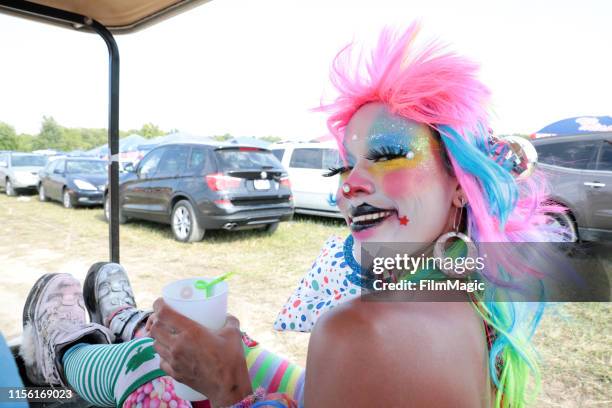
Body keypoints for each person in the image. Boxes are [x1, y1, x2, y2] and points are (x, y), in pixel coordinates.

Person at [20, 23, 562, 408]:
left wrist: (227, 387)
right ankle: (127, 321)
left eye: (389, 152)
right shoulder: (475, 290)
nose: (350, 183)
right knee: (235, 346)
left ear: (459, 184)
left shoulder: (358, 330)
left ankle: (69, 355)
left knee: (147, 368)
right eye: (346, 164)